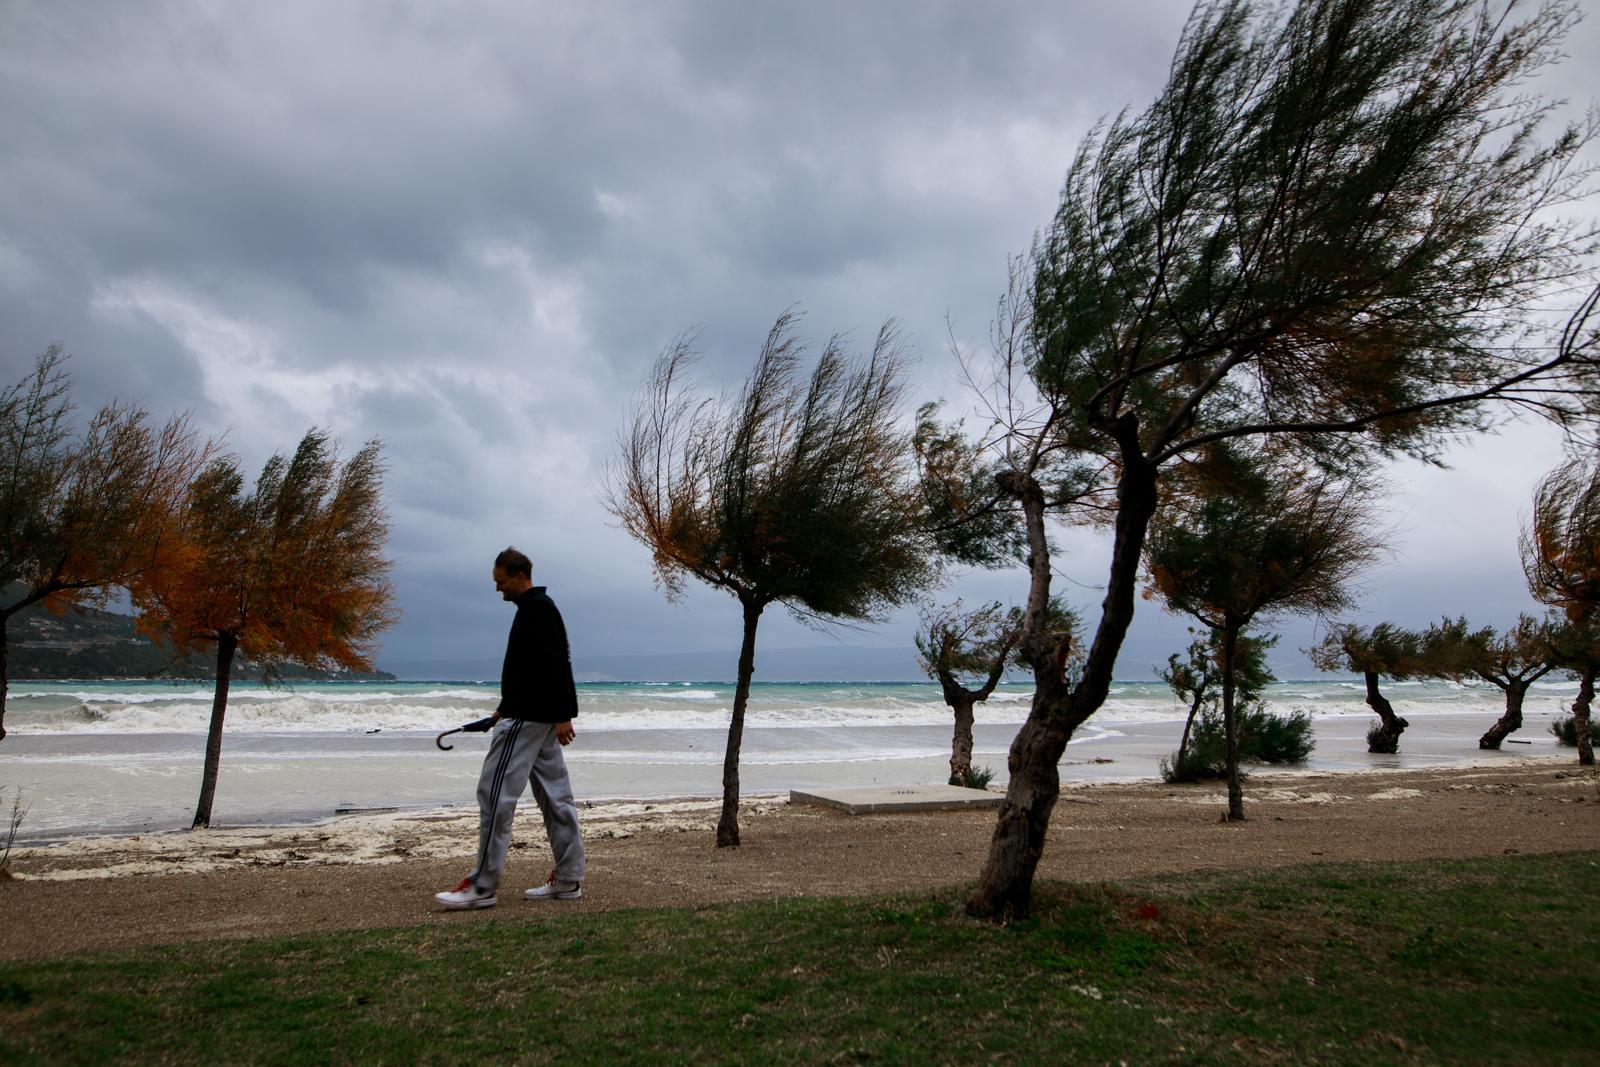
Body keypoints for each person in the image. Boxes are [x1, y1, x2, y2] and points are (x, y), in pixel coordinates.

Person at [435, 547, 586, 909]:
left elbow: (557, 663)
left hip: (531, 719)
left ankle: (482, 886)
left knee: (494, 796)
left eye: (501, 582)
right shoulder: (534, 610)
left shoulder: (538, 610)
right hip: (535, 717)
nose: (497, 588)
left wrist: (564, 713)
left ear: (519, 576)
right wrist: (503, 708)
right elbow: (529, 669)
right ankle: (568, 880)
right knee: (555, 798)